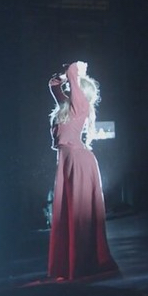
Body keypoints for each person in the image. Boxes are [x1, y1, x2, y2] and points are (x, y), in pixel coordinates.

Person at [47, 61, 119, 281]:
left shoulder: (80, 106)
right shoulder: (66, 107)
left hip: (78, 161)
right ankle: (70, 264)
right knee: (69, 214)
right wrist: (67, 75)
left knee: (79, 214)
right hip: (68, 162)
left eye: (73, 87)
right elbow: (52, 84)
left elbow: (70, 73)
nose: (69, 88)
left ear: (80, 91)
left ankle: (81, 264)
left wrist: (76, 69)